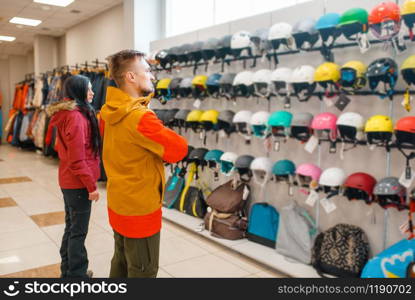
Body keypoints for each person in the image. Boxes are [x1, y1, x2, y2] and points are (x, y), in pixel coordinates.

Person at [101, 50, 188, 278]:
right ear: (130, 77)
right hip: (140, 208)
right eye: (147, 71)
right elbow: (178, 149)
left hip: (119, 201)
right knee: (143, 271)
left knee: (120, 262)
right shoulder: (140, 117)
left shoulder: (110, 111)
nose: (152, 76)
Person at [46, 75, 101, 278]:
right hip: (77, 184)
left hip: (69, 180)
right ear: (78, 92)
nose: (92, 93)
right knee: (78, 232)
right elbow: (77, 160)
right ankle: (77, 277)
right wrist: (91, 187)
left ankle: (68, 272)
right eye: (88, 89)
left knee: (71, 228)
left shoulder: (70, 114)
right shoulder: (77, 118)